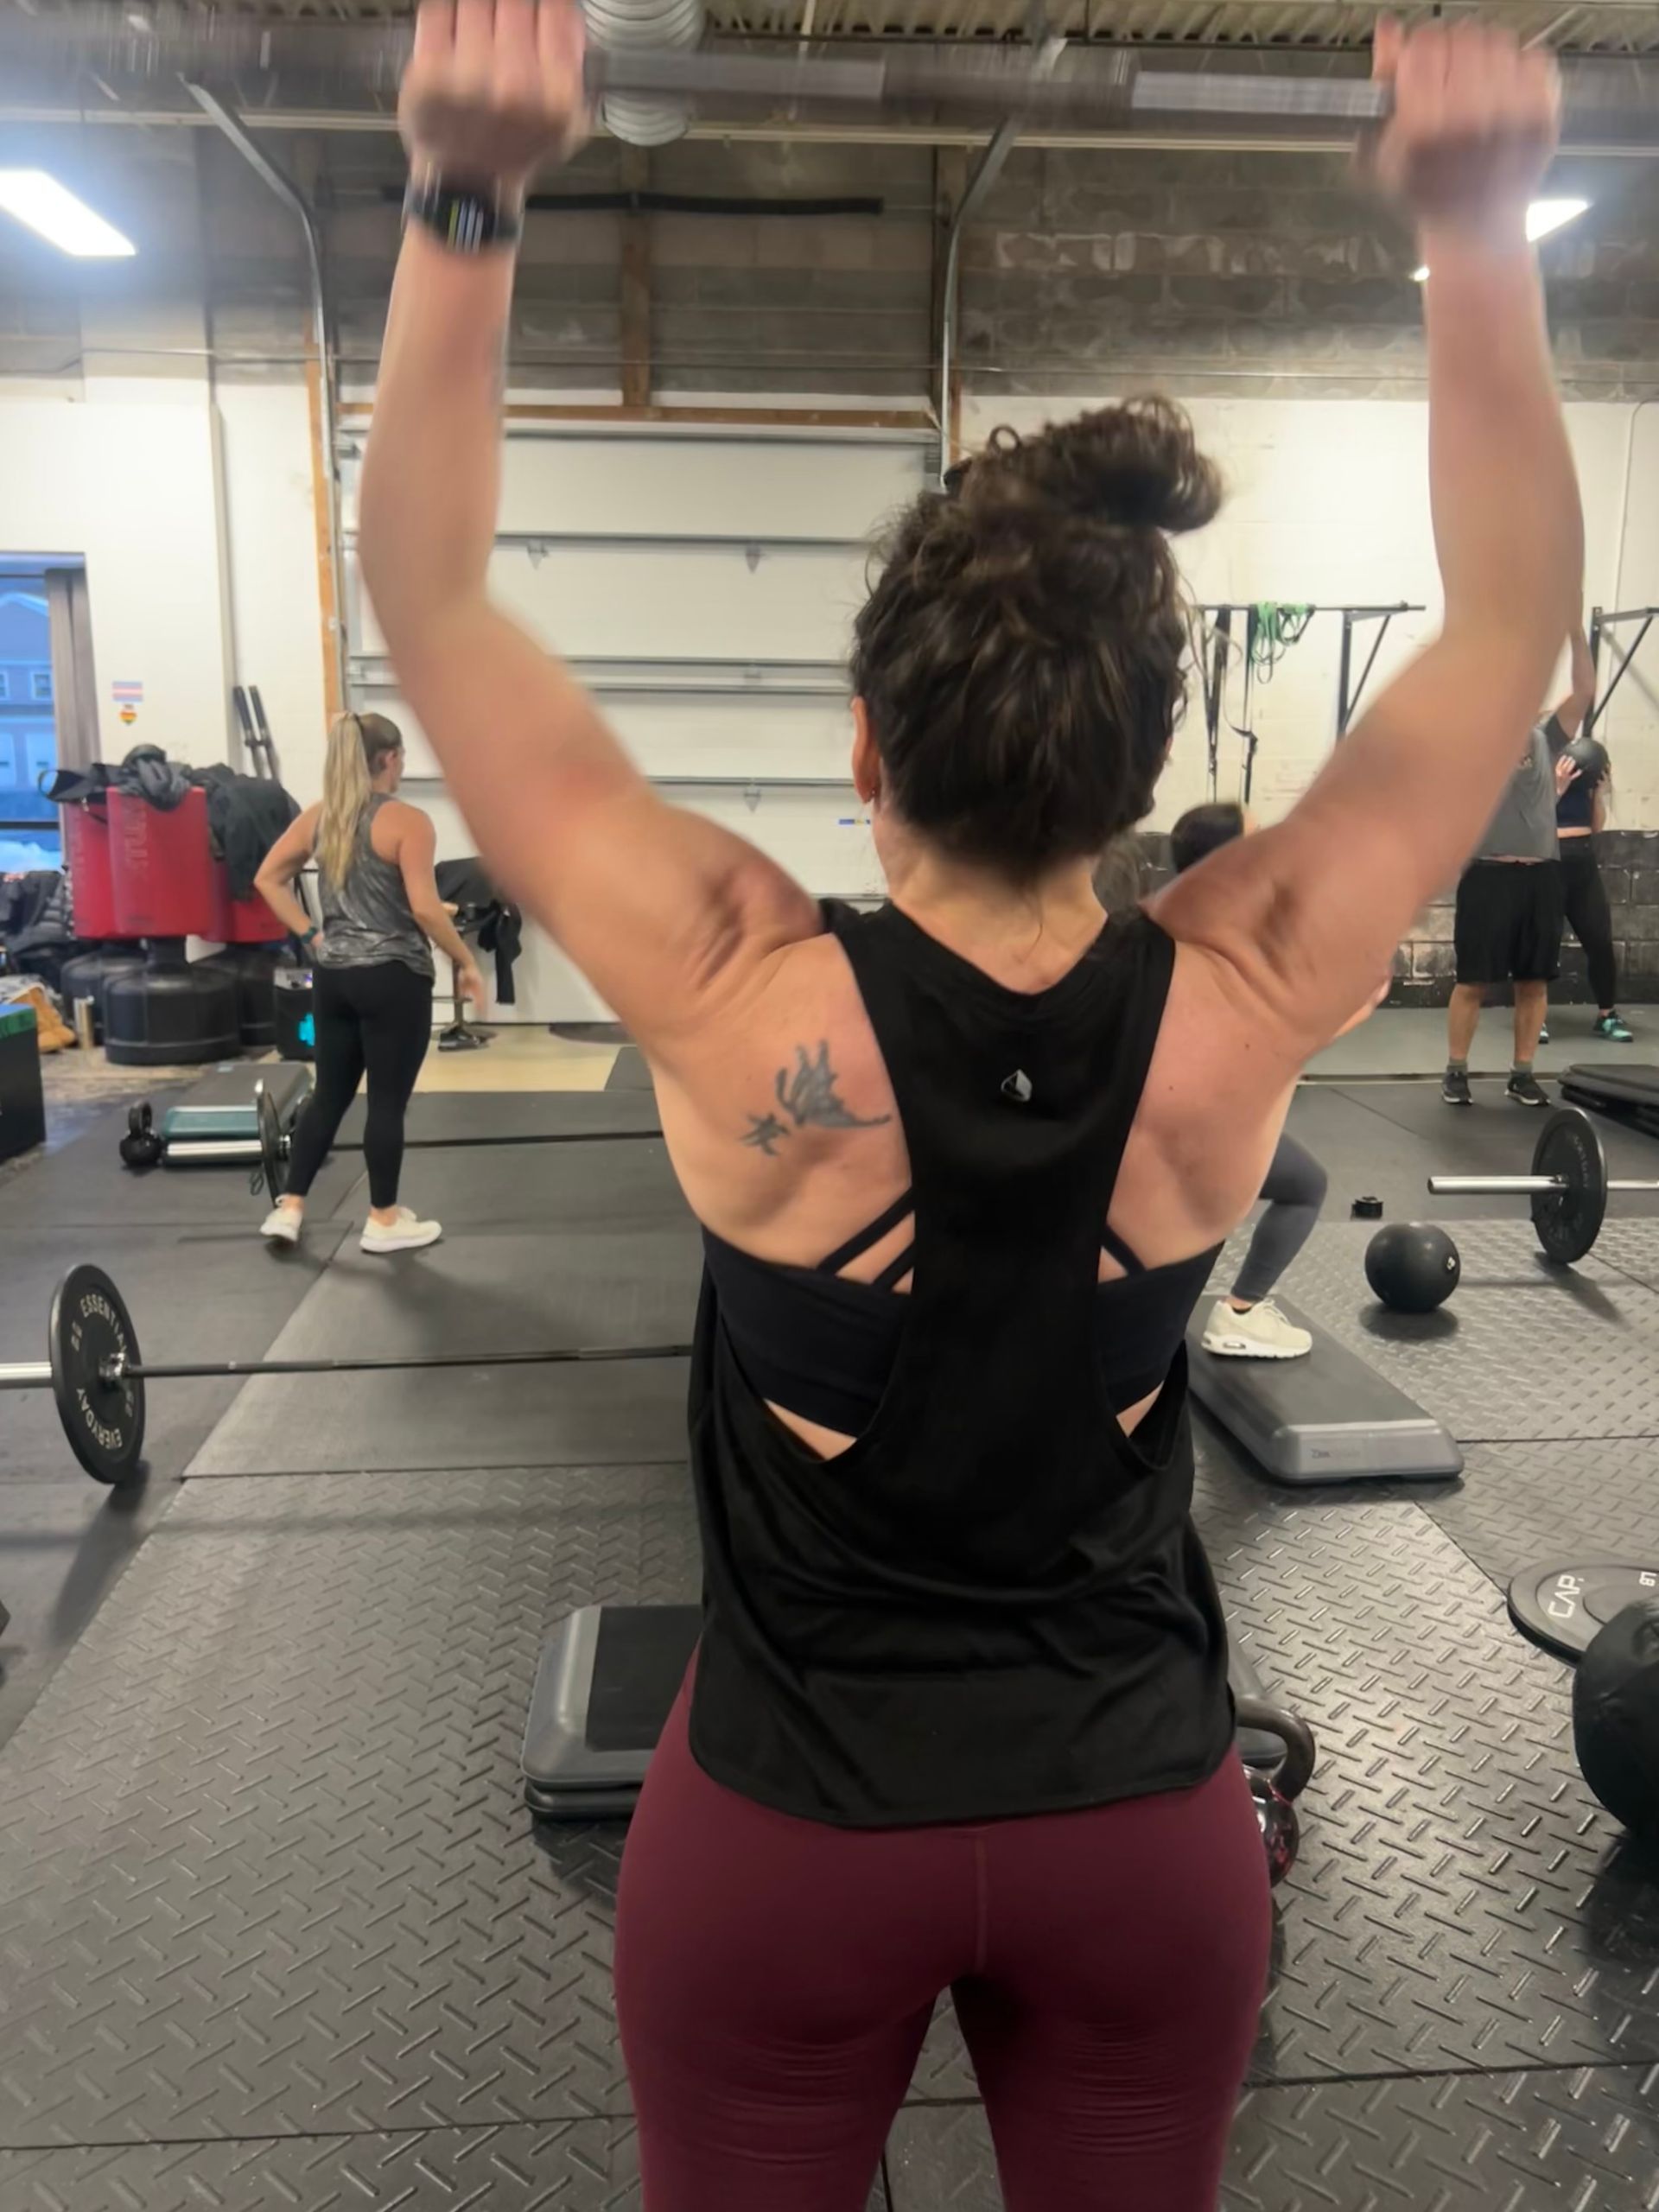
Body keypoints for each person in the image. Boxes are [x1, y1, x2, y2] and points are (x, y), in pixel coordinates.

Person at [367, 10, 1576, 2205]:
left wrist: (469, 199)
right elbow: (1512, 616)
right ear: (1143, 775)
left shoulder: (736, 983)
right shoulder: (1244, 981)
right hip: (1143, 1837)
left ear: (862, 747)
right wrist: (1475, 232)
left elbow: (430, 600)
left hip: (788, 1842)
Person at [253, 710, 485, 1253]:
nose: (403, 767)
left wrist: (312, 934)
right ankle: (382, 1220)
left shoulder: (321, 817)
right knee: (385, 1102)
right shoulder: (408, 822)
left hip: (333, 977)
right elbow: (426, 911)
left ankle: (289, 1207)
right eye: (401, 757)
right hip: (393, 979)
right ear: (388, 759)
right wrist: (464, 961)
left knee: (329, 1094)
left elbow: (268, 878)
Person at [1167, 804, 1328, 1361]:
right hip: (1191, 1118)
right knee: (1305, 1186)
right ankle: (1240, 1312)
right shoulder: (1232, 936)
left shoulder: (1166, 920)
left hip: (1149, 1112)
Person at [1441, 624, 1596, 1108]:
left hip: (1542, 876)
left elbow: (1586, 690)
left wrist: (1573, 631)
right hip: (1489, 874)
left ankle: (1522, 1074)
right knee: (1473, 981)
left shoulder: (1548, 736)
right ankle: (1456, 1070)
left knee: (1533, 981)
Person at [1554, 679, 1633, 1040]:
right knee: (1542, 944)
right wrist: (1558, 787)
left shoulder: (1583, 776)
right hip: (1549, 862)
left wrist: (1598, 793)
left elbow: (1595, 826)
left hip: (1582, 862)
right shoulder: (1543, 771)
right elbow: (1534, 820)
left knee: (1600, 940)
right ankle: (1534, 1016)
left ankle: (1607, 1015)